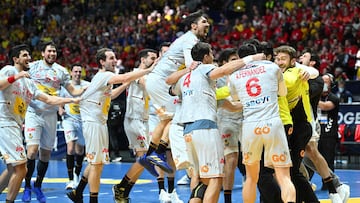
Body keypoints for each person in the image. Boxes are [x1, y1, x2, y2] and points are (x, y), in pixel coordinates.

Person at [167, 42, 263, 203]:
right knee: (215, 178)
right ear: (205, 57)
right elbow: (224, 70)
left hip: (188, 130)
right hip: (205, 128)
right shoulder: (205, 68)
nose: (213, 57)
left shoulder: (185, 77)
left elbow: (169, 83)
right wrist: (251, 58)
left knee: (199, 177)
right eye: (211, 53)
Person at [66, 47, 153, 203]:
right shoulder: (104, 75)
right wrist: (148, 70)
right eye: (111, 58)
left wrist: (126, 84)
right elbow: (125, 75)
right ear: (102, 61)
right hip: (93, 122)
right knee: (97, 164)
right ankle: (93, 200)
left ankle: (77, 192)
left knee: (96, 161)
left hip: (99, 122)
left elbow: (110, 95)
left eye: (115, 58)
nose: (115, 61)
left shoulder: (103, 78)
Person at [0, 44, 80, 203]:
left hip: (16, 125)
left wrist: (72, 99)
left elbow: (49, 99)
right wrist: (16, 77)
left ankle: (34, 186)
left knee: (12, 169)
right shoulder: (9, 70)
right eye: (24, 55)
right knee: (22, 167)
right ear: (16, 59)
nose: (28, 58)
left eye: (29, 55)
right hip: (5, 122)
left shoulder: (29, 83)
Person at [141, 10, 210, 176]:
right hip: (160, 80)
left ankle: (150, 154)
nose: (207, 25)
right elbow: (191, 64)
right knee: (177, 115)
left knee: (167, 119)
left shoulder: (187, 38)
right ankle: (158, 153)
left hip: (157, 79)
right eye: (204, 22)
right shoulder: (191, 40)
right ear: (194, 26)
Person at [229, 43, 296, 203]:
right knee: (284, 176)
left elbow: (236, 98)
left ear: (241, 58)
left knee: (251, 178)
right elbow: (283, 93)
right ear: (257, 54)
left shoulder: (234, 75)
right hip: (272, 124)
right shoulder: (271, 67)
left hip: (250, 126)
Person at [22, 41, 86, 203]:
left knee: (45, 154)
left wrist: (86, 91)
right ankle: (27, 186)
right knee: (31, 151)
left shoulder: (61, 71)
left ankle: (38, 185)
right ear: (42, 53)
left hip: (51, 116)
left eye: (54, 51)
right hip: (33, 113)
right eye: (49, 51)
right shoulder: (32, 67)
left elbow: (73, 91)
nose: (52, 53)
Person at [299, 50, 350, 203]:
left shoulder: (315, 79)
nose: (300, 57)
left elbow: (319, 103)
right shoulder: (297, 73)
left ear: (313, 62)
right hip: (297, 120)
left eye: (304, 56)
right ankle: (327, 185)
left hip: (311, 122)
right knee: (305, 159)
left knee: (313, 155)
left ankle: (333, 186)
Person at [112, 48, 160, 203]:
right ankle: (120, 188)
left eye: (156, 58)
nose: (155, 60)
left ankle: (122, 190)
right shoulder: (137, 73)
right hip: (134, 119)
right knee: (144, 159)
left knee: (142, 160)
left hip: (144, 121)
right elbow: (147, 85)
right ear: (143, 60)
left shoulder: (149, 74)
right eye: (152, 58)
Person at [274, 45, 320, 203]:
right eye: (277, 58)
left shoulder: (294, 73)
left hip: (301, 126)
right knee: (289, 170)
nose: (279, 62)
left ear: (292, 61)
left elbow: (292, 81)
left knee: (292, 171)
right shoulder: (280, 73)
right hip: (288, 126)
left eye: (283, 59)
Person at [215, 48, 243, 203]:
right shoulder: (217, 78)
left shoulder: (244, 75)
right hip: (226, 121)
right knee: (231, 160)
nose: (237, 62)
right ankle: (227, 199)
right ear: (225, 63)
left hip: (245, 119)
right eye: (233, 60)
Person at [58, 63, 90, 190]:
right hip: (69, 119)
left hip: (83, 120)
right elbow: (59, 100)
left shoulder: (87, 85)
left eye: (79, 71)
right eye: (75, 71)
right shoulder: (66, 86)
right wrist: (60, 108)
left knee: (80, 150)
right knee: (70, 148)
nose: (77, 74)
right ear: (71, 73)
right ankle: (70, 179)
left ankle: (77, 174)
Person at [318, 74, 341, 185]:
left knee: (328, 161)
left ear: (331, 84)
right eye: (322, 81)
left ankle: (330, 184)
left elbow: (325, 106)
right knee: (311, 160)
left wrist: (310, 98)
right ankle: (306, 183)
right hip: (316, 133)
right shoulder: (315, 96)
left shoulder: (334, 98)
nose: (324, 84)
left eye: (326, 82)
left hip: (329, 134)